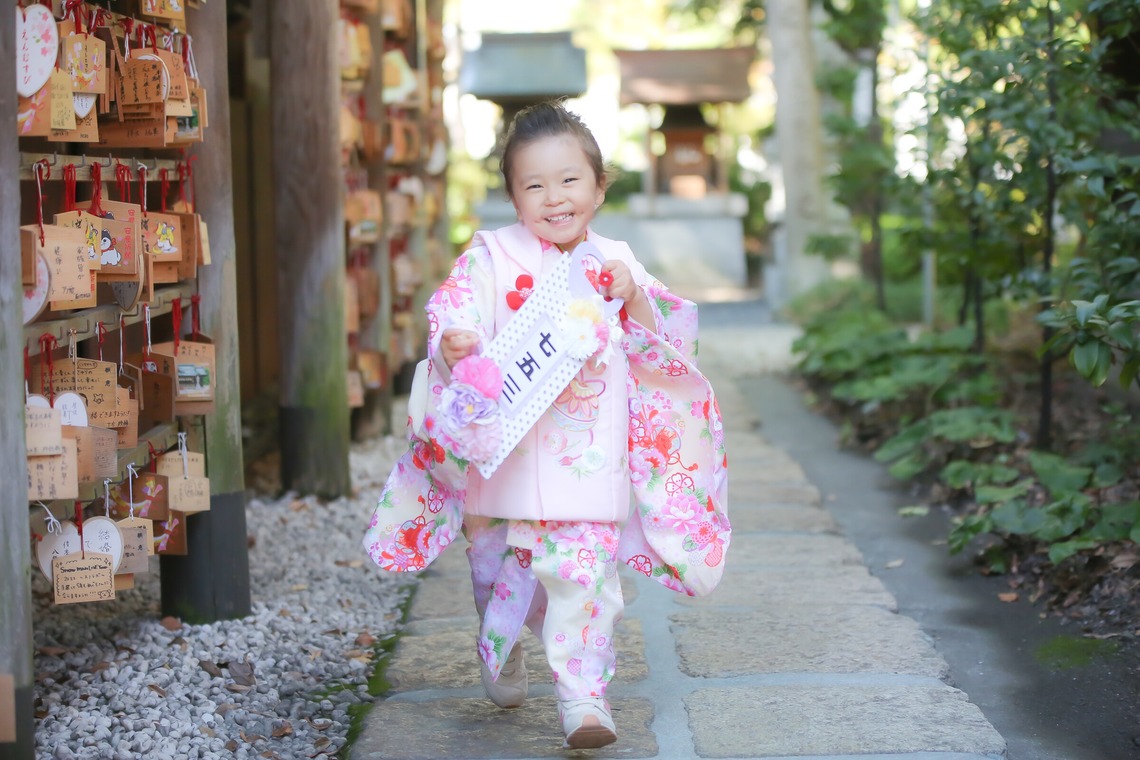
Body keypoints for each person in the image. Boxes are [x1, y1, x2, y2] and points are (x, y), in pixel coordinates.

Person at [363, 101, 730, 750]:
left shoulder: (615, 261)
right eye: (534, 185)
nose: (554, 198)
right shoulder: (490, 256)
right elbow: (453, 310)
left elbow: (666, 340)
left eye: (569, 180)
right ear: (513, 196)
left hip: (586, 456)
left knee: (585, 577)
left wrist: (634, 297)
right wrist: (455, 343)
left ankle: (583, 696)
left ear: (599, 185)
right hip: (503, 455)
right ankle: (501, 647)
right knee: (494, 571)